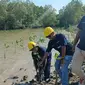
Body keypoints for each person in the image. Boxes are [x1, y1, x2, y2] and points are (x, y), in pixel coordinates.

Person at [72, 16, 85, 85]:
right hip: (80, 48)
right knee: (74, 68)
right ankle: (83, 77)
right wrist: (74, 44)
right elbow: (79, 33)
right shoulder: (83, 18)